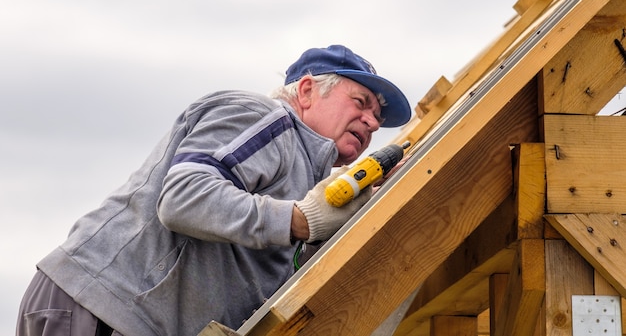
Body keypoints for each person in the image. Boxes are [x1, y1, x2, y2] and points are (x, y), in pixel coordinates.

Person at [16, 44, 412, 336]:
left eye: (378, 117)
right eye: (361, 102)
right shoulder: (264, 117)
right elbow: (185, 197)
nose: (373, 123)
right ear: (306, 91)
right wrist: (300, 220)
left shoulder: (307, 179)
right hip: (101, 308)